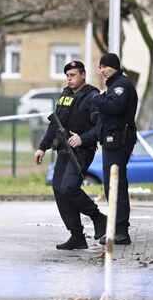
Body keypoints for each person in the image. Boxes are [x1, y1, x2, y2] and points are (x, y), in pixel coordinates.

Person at [34, 61, 107, 250]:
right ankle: (77, 236)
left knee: (68, 188)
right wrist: (42, 147)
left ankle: (98, 217)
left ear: (83, 75)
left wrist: (83, 138)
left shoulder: (92, 96)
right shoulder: (65, 94)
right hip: (64, 150)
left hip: (82, 151)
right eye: (67, 76)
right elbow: (55, 123)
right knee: (58, 189)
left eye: (73, 75)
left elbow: (100, 127)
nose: (69, 79)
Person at [91, 53, 138, 245]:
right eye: (100, 67)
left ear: (114, 67)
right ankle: (116, 228)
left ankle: (120, 230)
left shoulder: (121, 86)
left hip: (118, 142)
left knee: (116, 185)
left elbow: (115, 107)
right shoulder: (113, 86)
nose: (101, 70)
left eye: (104, 67)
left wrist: (97, 98)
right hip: (111, 142)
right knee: (113, 186)